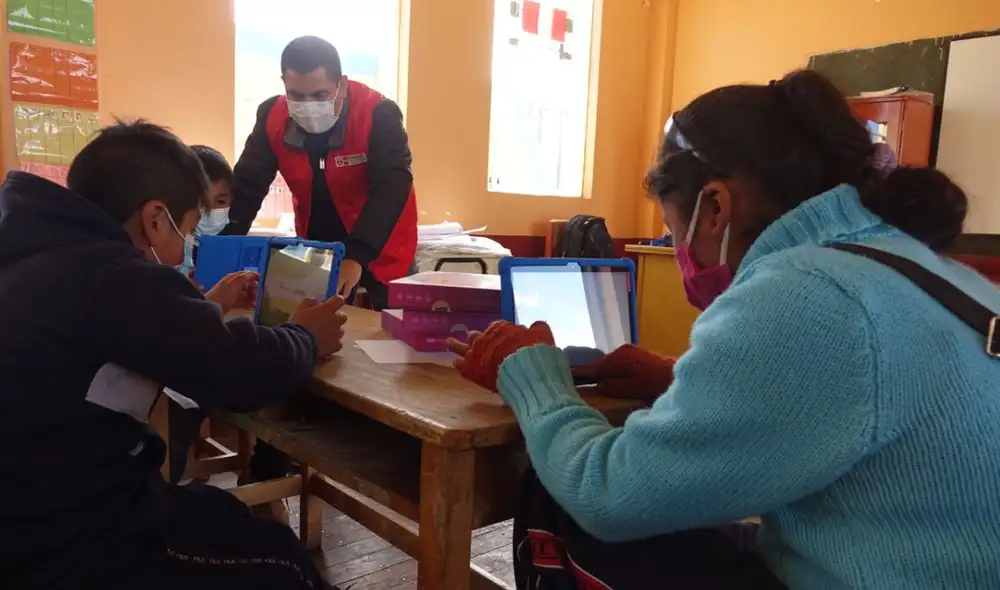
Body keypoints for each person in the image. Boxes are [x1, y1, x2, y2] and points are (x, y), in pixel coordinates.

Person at [449, 69, 1000, 589]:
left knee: (560, 494)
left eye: (673, 232)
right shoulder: (931, 271)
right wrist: (672, 379)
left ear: (714, 207)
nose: (680, 253)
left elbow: (607, 494)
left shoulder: (806, 289)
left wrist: (535, 378)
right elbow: (860, 401)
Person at [0, 120, 348, 589]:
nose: (188, 247)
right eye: (187, 231)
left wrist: (206, 309)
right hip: (66, 532)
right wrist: (306, 335)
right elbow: (239, 372)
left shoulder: (39, 256)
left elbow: (142, 335)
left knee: (219, 513)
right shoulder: (112, 274)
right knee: (282, 562)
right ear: (155, 218)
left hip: (37, 500)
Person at [227, 35, 417, 311]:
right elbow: (247, 186)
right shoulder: (271, 117)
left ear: (341, 85)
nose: (308, 104)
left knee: (388, 340)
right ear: (284, 85)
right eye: (296, 95)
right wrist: (225, 245)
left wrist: (356, 256)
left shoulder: (379, 114)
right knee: (313, 329)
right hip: (317, 249)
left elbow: (392, 187)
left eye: (319, 95)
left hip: (381, 244)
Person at [167, 145, 296, 523]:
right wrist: (210, 303)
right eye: (202, 207)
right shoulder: (164, 251)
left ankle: (263, 474)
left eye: (222, 201)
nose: (211, 214)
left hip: (197, 354)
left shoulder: (215, 245)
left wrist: (213, 300)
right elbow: (177, 324)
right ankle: (263, 480)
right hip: (181, 379)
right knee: (270, 372)